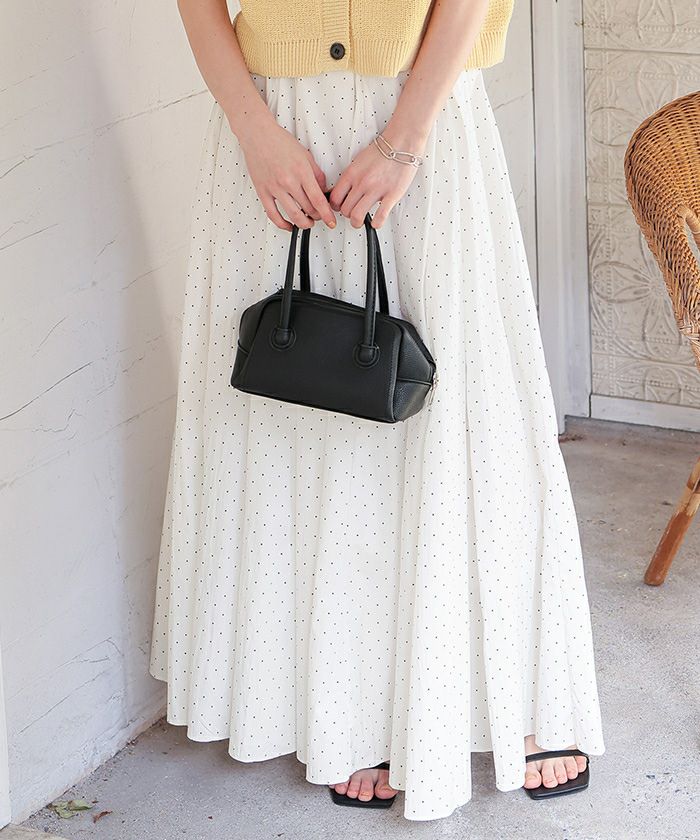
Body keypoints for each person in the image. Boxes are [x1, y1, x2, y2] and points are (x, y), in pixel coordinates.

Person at [149, 0, 605, 821]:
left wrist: (404, 139)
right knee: (309, 417)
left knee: (470, 417)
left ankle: (521, 697)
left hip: (423, 115)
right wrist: (254, 130)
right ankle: (354, 710)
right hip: (279, 127)